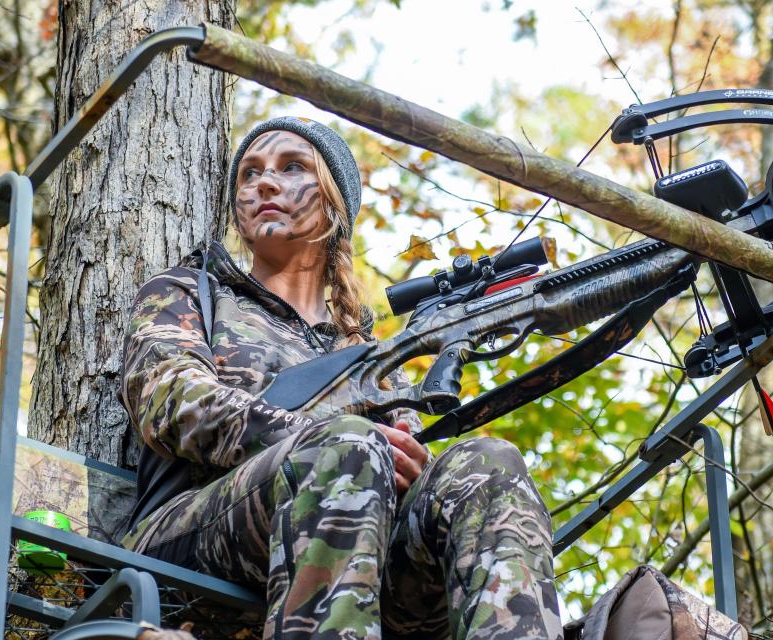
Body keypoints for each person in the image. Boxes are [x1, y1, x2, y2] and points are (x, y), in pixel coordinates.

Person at [118, 116, 563, 640]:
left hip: (357, 556)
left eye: (291, 168)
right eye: (250, 174)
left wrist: (417, 468)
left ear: (333, 203)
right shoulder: (193, 293)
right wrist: (308, 435)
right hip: (191, 546)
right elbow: (169, 398)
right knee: (348, 446)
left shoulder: (364, 351)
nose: (264, 182)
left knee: (488, 465)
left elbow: (402, 453)